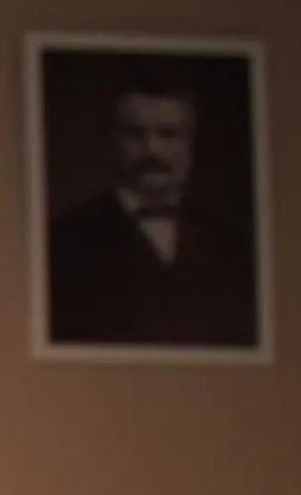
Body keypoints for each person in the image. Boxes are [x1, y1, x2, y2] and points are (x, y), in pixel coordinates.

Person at [46, 78, 256, 348]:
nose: (151, 150)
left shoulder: (232, 246)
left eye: (168, 134)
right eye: (134, 134)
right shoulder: (63, 241)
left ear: (190, 144)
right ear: (111, 141)